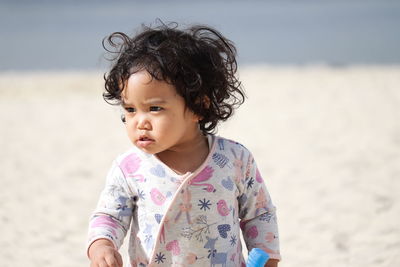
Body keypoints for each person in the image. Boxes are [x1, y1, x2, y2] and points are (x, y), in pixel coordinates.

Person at [87, 21, 281, 267]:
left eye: (154, 108)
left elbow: (259, 214)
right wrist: (102, 244)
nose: (140, 122)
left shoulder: (234, 158)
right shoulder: (130, 167)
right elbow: (110, 215)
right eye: (130, 109)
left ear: (199, 106)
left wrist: (268, 257)